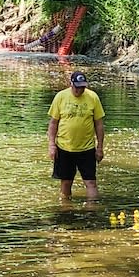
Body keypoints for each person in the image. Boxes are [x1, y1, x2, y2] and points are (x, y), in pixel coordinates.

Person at [47, 71, 105, 200]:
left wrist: (100, 147)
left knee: (91, 182)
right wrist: (51, 145)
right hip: (64, 147)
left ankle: (91, 212)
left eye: (83, 87)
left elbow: (99, 124)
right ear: (71, 84)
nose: (80, 90)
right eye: (77, 87)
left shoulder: (93, 97)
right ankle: (66, 210)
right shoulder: (61, 97)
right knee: (66, 182)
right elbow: (53, 123)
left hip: (87, 148)